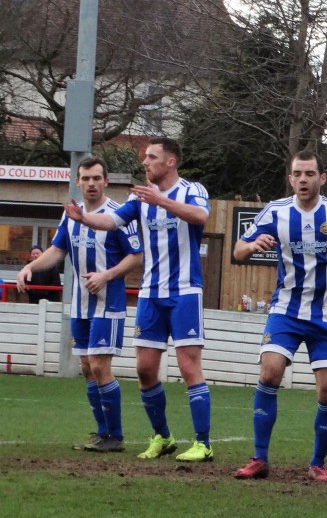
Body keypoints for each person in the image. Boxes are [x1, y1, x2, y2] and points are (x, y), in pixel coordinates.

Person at [64, 137, 214, 462]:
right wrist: (84, 219)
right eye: (145, 157)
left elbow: (201, 216)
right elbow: (112, 221)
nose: (145, 162)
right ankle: (163, 436)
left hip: (185, 292)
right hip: (150, 294)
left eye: (151, 156)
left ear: (170, 162)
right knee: (145, 370)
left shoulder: (191, 190)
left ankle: (203, 443)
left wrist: (161, 201)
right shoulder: (141, 198)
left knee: (189, 367)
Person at [232, 150, 327, 483]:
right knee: (270, 373)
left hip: (326, 315)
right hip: (285, 310)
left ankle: (317, 463)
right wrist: (253, 246)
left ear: (321, 178)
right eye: (297, 173)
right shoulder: (276, 211)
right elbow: (238, 250)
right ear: (290, 178)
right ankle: (259, 459)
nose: (302, 179)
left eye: (309, 173)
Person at [18, 158, 143, 452]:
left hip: (108, 303)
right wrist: (31, 268)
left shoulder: (118, 215)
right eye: (85, 178)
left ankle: (116, 435)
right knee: (87, 368)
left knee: (100, 366)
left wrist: (107, 275)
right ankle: (103, 433)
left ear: (106, 181)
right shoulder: (71, 215)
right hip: (80, 304)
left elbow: (137, 256)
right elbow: (58, 250)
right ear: (78, 181)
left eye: (96, 178)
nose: (91, 184)